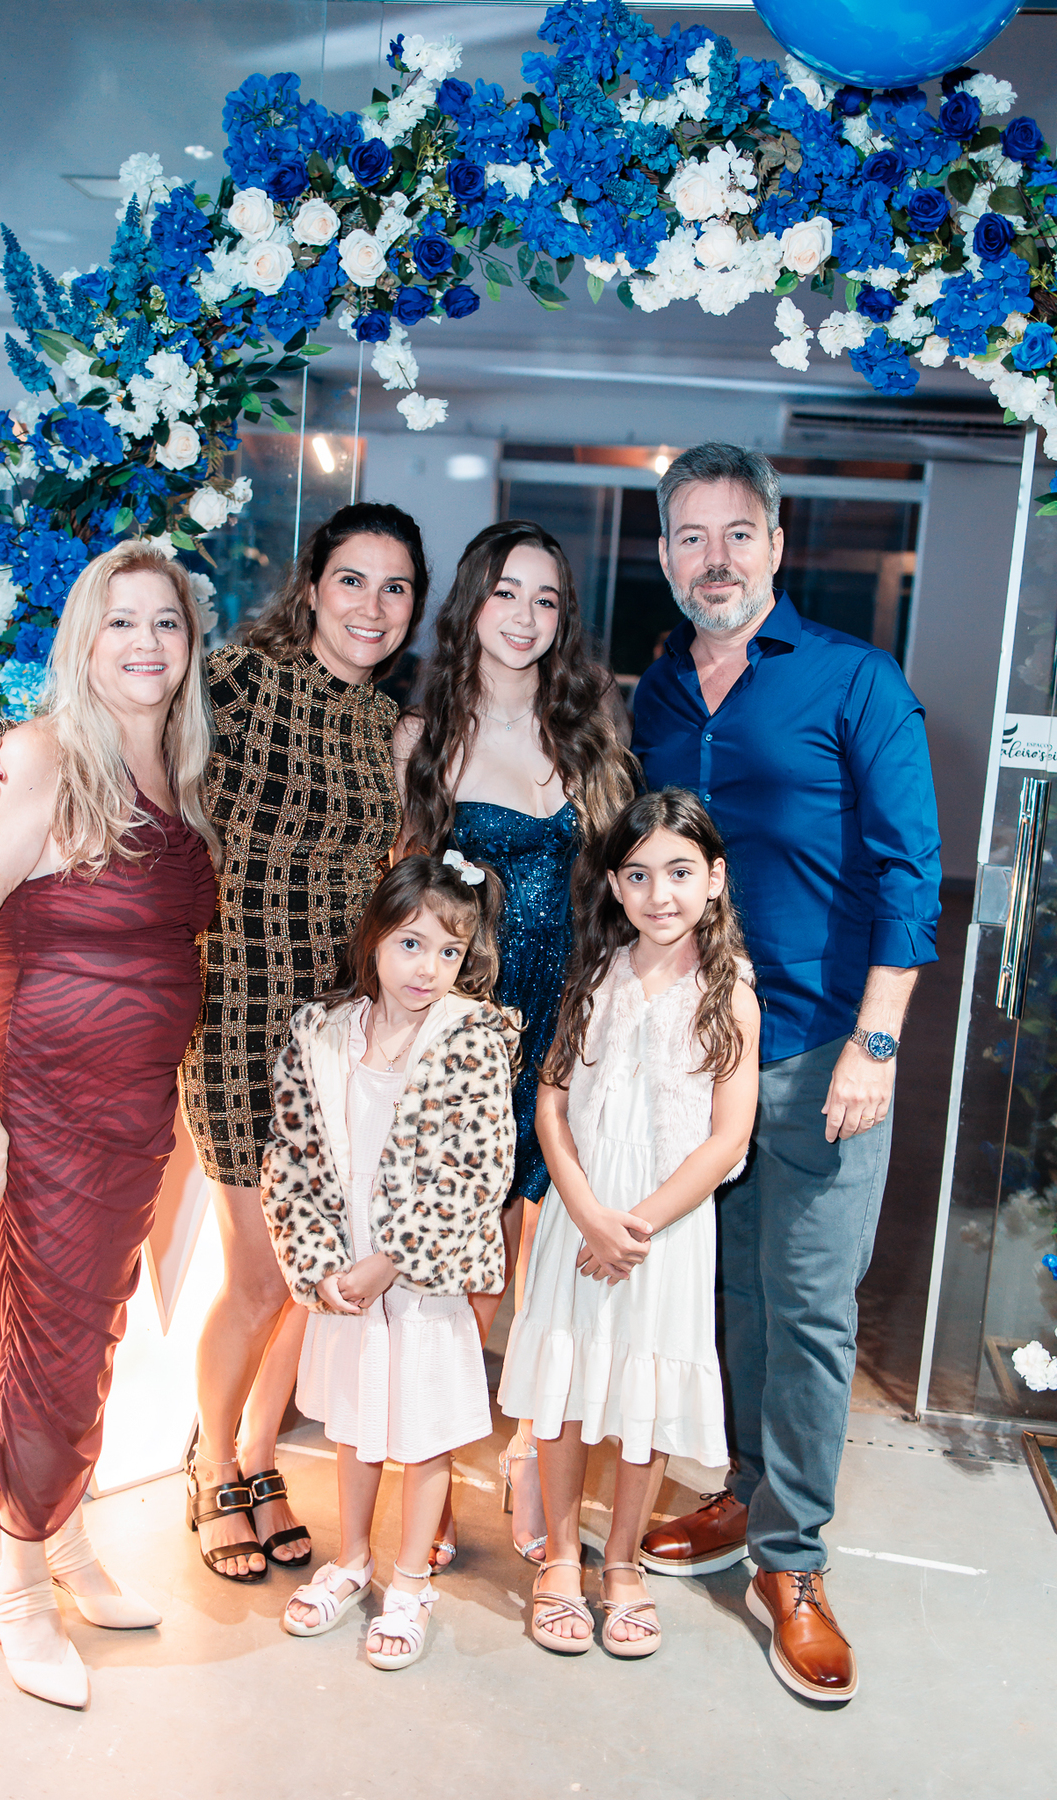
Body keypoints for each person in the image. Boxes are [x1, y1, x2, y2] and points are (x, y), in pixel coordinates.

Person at [0, 503, 428, 1583]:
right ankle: (211, 1467)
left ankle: (258, 1459)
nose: (372, 605)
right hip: (237, 1011)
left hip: (339, 1027)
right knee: (259, 1271)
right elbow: (112, 699)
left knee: (312, 1270)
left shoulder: (387, 726)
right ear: (311, 587)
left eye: (395, 587)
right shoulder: (235, 683)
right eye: (351, 579)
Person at [629, 443, 942, 1703]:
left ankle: (795, 1563)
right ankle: (747, 1492)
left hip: (821, 1048)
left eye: (737, 533)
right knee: (733, 1296)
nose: (715, 559)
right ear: (665, 553)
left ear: (776, 541)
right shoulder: (658, 691)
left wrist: (878, 1043)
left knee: (809, 1309)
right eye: (691, 536)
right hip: (703, 1052)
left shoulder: (858, 681)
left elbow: (912, 874)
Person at [0, 543, 219, 1707]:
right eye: (119, 622)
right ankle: (19, 1588)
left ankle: (67, 1542)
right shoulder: (35, 759)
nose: (145, 643)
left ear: (190, 645)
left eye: (166, 623)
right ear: (83, 642)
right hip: (34, 1105)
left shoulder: (181, 770)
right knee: (48, 1345)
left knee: (87, 1333)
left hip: (132, 1110)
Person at [396, 519, 636, 1566]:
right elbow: (397, 903)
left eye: (545, 599)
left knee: (551, 1269)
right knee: (471, 1268)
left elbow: (629, 892)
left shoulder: (590, 732)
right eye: (506, 593)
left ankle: (531, 1463)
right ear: (471, 604)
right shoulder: (422, 738)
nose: (525, 617)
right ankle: (435, 1469)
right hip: (469, 1038)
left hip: (572, 1027)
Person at [499, 789, 759, 1658]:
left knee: (642, 1395)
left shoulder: (730, 994)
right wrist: (582, 1208)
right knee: (567, 1390)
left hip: (664, 1231)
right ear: (614, 886)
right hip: (582, 1217)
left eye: (680, 873)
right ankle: (560, 1560)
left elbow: (727, 1140)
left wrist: (633, 1229)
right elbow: (551, 1101)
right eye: (639, 875)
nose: (660, 894)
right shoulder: (593, 975)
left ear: (714, 879)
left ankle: (621, 1562)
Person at [261, 853, 518, 1669]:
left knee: (425, 1431)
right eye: (411, 944)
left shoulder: (472, 1038)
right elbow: (291, 1155)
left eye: (449, 951)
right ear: (373, 937)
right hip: (345, 1273)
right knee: (355, 1424)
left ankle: (410, 1580)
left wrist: (391, 1261)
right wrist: (319, 1265)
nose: (427, 968)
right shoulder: (321, 1034)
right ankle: (352, 1561)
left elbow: (476, 1171)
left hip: (423, 1282)